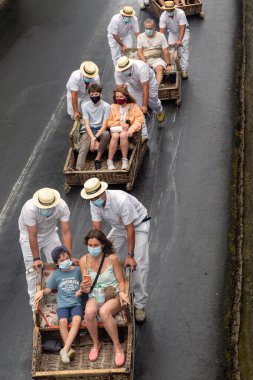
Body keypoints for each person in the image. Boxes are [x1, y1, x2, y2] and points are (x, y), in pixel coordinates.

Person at [80, 178, 150, 322]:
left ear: (103, 192)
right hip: (118, 228)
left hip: (137, 226)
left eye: (96, 196)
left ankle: (140, 304)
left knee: (139, 264)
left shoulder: (121, 200)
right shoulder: (94, 203)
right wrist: (94, 248)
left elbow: (130, 229)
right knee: (104, 256)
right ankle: (109, 289)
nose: (94, 200)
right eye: (91, 198)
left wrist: (130, 256)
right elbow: (96, 230)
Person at [79, 229, 129, 366]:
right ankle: (96, 343)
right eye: (90, 245)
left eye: (95, 245)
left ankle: (118, 347)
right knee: (89, 313)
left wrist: (123, 292)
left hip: (112, 294)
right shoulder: (84, 260)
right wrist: (83, 287)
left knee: (104, 312)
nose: (92, 248)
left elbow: (121, 280)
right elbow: (87, 286)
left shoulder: (111, 258)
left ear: (102, 245)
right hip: (95, 294)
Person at [18, 188, 74, 308]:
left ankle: (60, 296)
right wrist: (36, 258)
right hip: (29, 237)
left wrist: (69, 256)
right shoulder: (29, 209)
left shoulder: (62, 206)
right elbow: (32, 235)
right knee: (33, 270)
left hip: (50, 234)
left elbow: (66, 232)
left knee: (60, 264)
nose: (47, 210)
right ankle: (35, 305)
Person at [35, 246, 84, 364]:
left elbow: (84, 284)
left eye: (67, 258)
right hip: (62, 304)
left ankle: (65, 349)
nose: (65, 261)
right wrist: (42, 291)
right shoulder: (56, 274)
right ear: (56, 263)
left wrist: (81, 290)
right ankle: (69, 349)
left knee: (77, 319)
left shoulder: (77, 270)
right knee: (62, 322)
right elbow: (49, 289)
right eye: (62, 260)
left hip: (76, 302)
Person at [115, 56, 165, 124]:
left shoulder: (141, 67)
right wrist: (119, 105)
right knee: (136, 106)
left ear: (130, 66)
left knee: (153, 102)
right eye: (122, 70)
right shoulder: (117, 73)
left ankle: (159, 111)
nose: (124, 71)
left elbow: (145, 87)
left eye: (125, 69)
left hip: (149, 84)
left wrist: (144, 105)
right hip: (133, 86)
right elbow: (120, 90)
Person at [107, 87, 145, 170]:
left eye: (121, 97)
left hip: (128, 131)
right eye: (117, 97)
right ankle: (109, 161)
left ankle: (125, 160)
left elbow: (139, 119)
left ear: (126, 96)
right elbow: (108, 121)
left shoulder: (133, 106)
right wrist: (119, 123)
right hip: (116, 129)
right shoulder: (113, 107)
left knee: (123, 135)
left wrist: (131, 129)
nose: (119, 99)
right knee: (115, 136)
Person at [75, 84, 110, 171]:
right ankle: (78, 169)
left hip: (100, 129)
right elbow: (86, 124)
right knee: (84, 147)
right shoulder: (85, 106)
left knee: (106, 134)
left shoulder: (106, 106)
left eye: (96, 94)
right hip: (89, 130)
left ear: (101, 94)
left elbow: (105, 125)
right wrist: (92, 138)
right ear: (89, 95)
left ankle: (97, 159)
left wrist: (95, 138)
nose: (94, 97)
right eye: (92, 95)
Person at [137, 19, 173, 86]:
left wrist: (168, 64)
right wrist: (144, 61)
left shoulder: (161, 36)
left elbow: (166, 51)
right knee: (143, 72)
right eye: (146, 28)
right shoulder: (140, 37)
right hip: (145, 60)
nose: (148, 30)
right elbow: (139, 52)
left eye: (150, 28)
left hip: (157, 59)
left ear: (154, 28)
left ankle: (156, 87)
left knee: (159, 69)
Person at [159, 0, 190, 79]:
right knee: (171, 51)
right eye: (168, 10)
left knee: (183, 49)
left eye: (171, 10)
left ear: (174, 8)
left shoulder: (180, 13)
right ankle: (173, 69)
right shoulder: (163, 16)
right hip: (172, 32)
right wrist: (161, 43)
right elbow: (162, 32)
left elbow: (182, 27)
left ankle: (184, 70)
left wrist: (179, 40)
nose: (169, 11)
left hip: (183, 31)